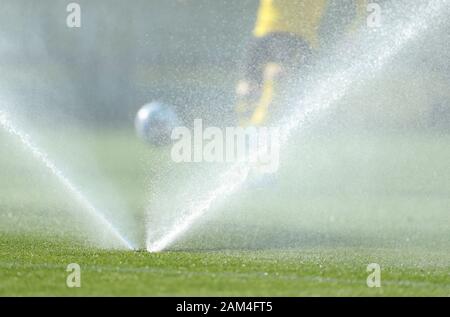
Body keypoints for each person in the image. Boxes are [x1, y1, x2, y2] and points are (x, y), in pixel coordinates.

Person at [235, 0, 368, 127]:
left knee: (277, 74)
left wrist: (355, 31)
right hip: (263, 32)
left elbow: (363, 8)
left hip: (297, 37)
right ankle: (245, 131)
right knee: (246, 88)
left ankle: (259, 127)